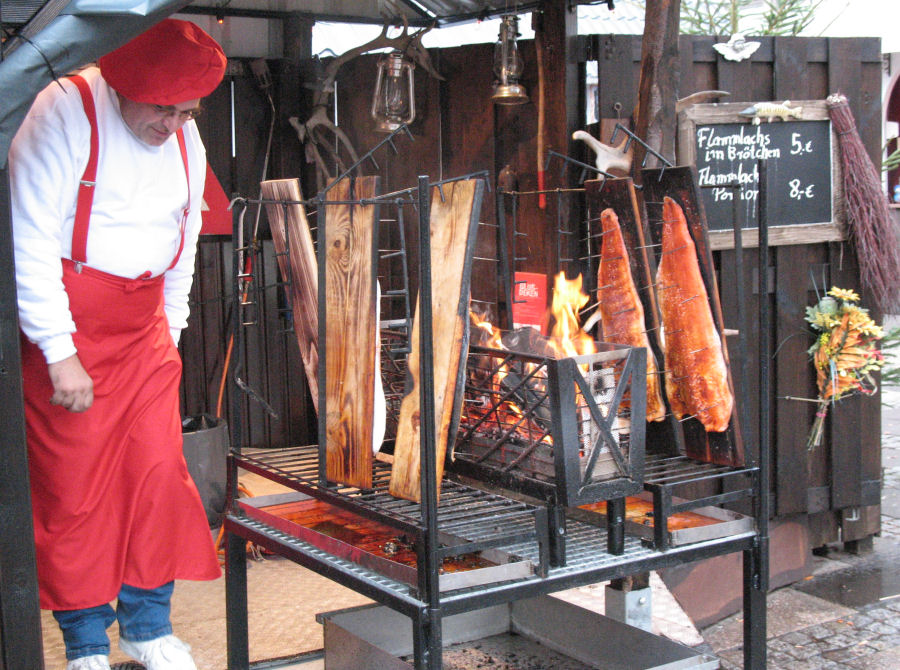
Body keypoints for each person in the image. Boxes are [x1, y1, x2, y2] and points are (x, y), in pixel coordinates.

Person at [8, 18, 226, 670]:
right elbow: (27, 239)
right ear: (125, 84)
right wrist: (58, 350)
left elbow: (182, 248)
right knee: (75, 495)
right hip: (67, 331)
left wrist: (172, 334)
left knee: (157, 478)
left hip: (143, 335)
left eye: (187, 112)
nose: (174, 125)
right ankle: (83, 646)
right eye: (164, 109)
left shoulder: (186, 141)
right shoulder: (63, 111)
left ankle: (147, 628)